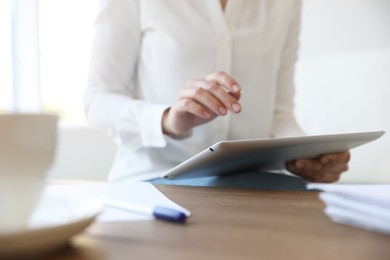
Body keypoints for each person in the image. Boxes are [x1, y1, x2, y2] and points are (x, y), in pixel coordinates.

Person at [84, 0, 350, 184]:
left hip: (256, 184)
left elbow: (279, 114)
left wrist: (305, 156)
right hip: (156, 177)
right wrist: (166, 119)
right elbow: (98, 99)